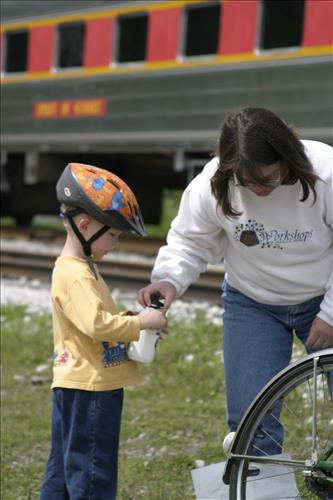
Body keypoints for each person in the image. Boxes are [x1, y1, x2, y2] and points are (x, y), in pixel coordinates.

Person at [138, 107, 333, 455]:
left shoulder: (325, 171)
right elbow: (189, 240)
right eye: (247, 181)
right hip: (252, 303)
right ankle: (261, 491)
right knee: (250, 421)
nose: (258, 190)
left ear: (287, 159)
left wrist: (330, 314)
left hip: (323, 295)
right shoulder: (215, 181)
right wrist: (169, 280)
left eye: (268, 179)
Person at [40, 163, 167, 500]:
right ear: (85, 226)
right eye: (113, 233)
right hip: (92, 387)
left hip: (78, 383)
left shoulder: (79, 268)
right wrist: (141, 323)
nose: (117, 242)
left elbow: (93, 319)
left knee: (64, 470)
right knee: (93, 472)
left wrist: (127, 319)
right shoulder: (77, 275)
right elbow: (97, 325)